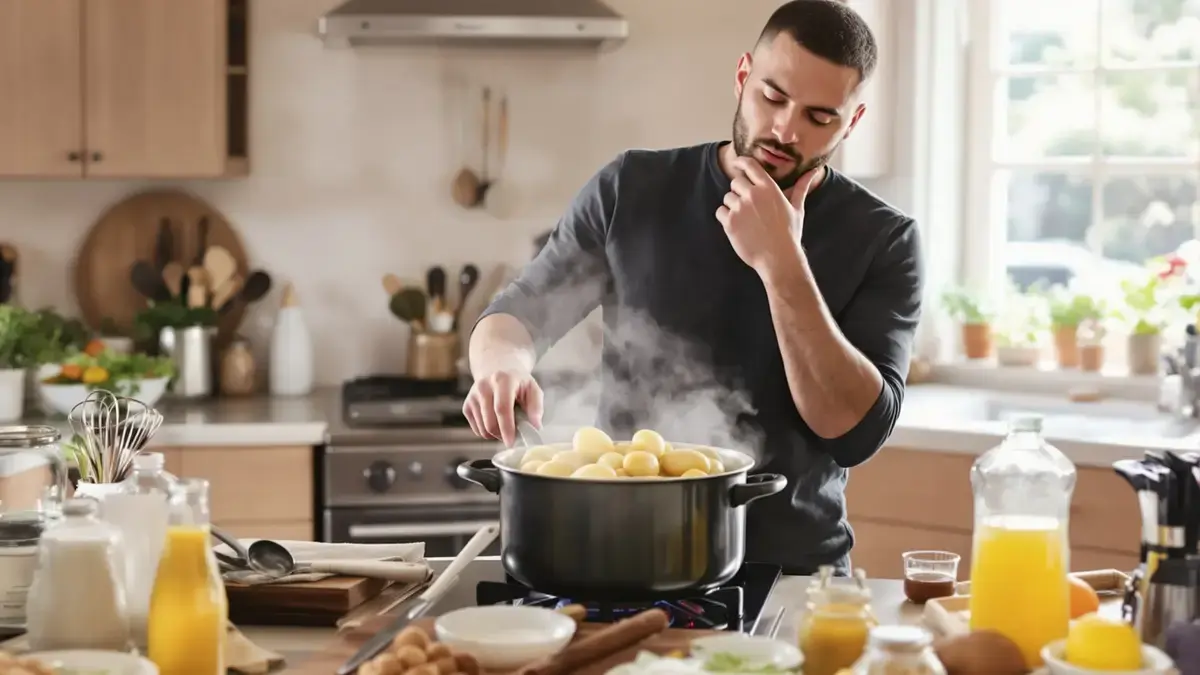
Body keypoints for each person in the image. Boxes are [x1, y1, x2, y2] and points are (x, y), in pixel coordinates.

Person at [462, 0, 924, 576]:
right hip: (619, 555)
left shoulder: (885, 238)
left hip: (795, 574)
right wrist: (500, 366)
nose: (785, 128)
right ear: (742, 78)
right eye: (772, 97)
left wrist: (781, 259)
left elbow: (854, 433)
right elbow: (518, 315)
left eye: (819, 117)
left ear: (851, 122)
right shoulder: (632, 187)